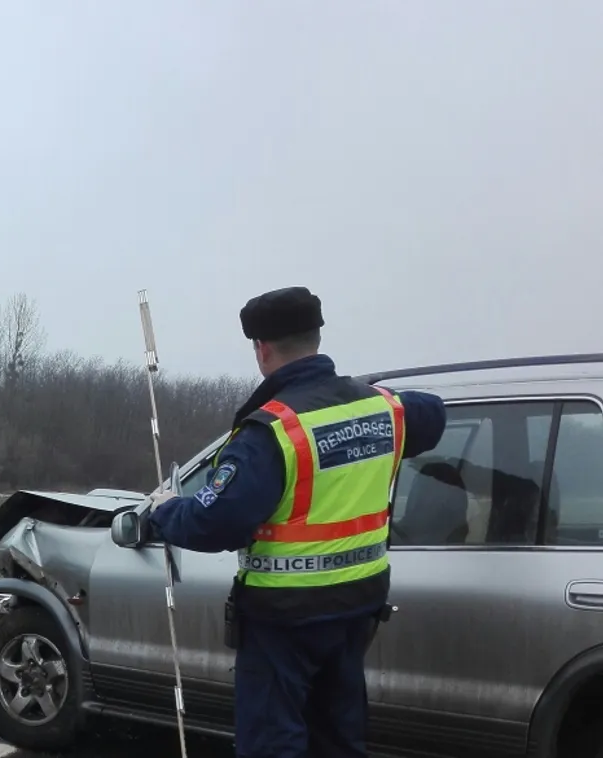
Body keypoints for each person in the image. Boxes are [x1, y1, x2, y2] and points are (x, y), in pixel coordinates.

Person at [145, 286, 447, 758]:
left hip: (285, 620)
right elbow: (434, 413)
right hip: (357, 605)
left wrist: (165, 510)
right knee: (339, 740)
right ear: (317, 337)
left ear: (262, 350)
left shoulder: (271, 432)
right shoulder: (385, 409)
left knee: (273, 743)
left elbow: (213, 523)